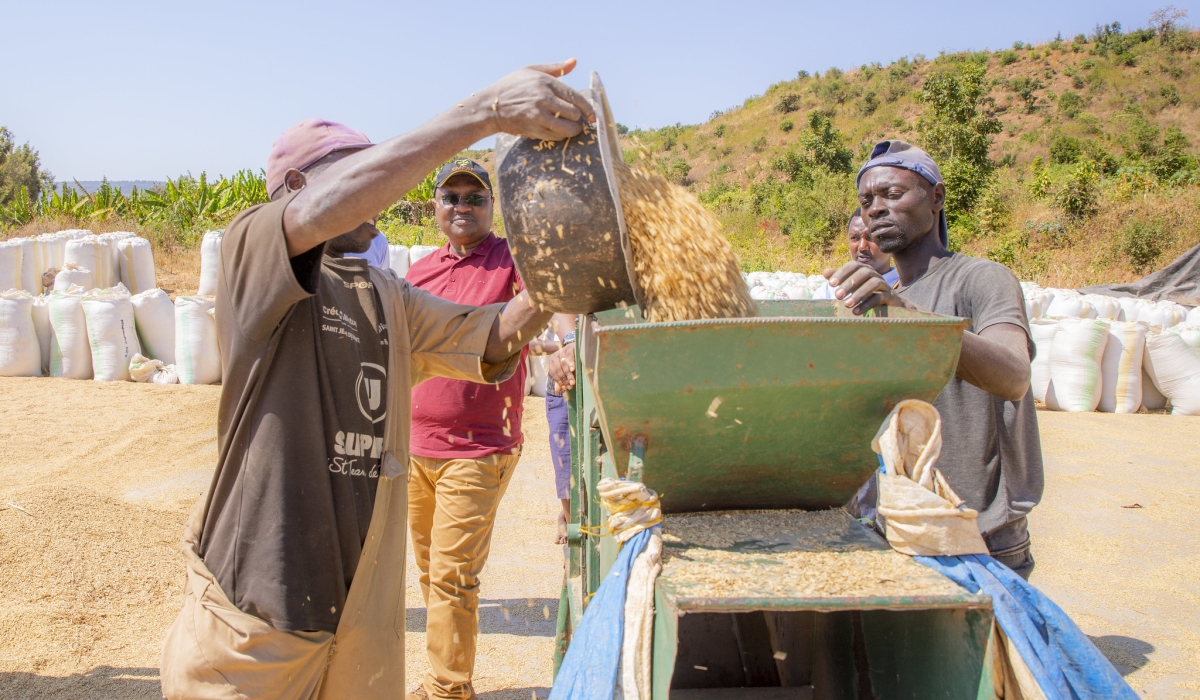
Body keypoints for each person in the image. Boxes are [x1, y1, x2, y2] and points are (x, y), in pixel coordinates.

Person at [159, 60, 596, 700]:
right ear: (300, 186)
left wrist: (565, 269)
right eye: (360, 171)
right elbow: (321, 211)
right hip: (258, 602)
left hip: (360, 609)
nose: (383, 189)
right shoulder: (252, 254)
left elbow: (494, 334)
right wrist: (484, 112)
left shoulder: (388, 294)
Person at [825, 140, 1042, 581]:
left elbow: (1014, 376)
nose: (876, 209)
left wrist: (908, 318)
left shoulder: (980, 279)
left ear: (937, 197)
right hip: (904, 525)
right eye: (866, 201)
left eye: (892, 194)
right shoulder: (888, 301)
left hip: (978, 533)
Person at [402, 157, 530, 700]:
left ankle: (446, 691)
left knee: (454, 578)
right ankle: (450, 681)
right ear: (434, 205)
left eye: (475, 197)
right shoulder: (418, 273)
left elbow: (553, 300)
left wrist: (568, 343)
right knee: (432, 575)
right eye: (451, 197)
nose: (463, 206)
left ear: (491, 206)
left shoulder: (511, 261)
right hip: (413, 449)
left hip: (479, 447)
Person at [811, 208, 897, 300]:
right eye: (855, 238)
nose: (862, 246)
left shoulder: (903, 286)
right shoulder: (830, 291)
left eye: (871, 238)